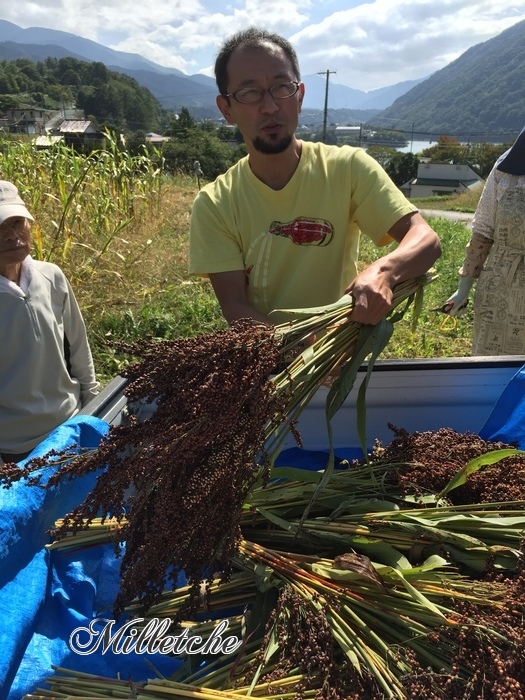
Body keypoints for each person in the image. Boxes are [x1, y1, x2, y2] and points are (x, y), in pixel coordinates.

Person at [189, 27, 441, 329]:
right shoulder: (215, 203)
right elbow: (236, 307)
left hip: (343, 354)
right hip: (270, 360)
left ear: (300, 96)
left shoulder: (347, 168)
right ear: (226, 109)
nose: (269, 106)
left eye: (282, 87)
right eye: (249, 93)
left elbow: (425, 239)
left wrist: (384, 272)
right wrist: (297, 350)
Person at [0, 180, 99, 464]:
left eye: (18, 222)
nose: (11, 236)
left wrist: (92, 410)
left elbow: (78, 347)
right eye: (0, 227)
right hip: (14, 447)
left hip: (70, 424)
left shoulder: (51, 276)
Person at [443, 126, 525, 355]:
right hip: (499, 291)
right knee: (492, 373)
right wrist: (462, 290)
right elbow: (483, 232)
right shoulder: (506, 167)